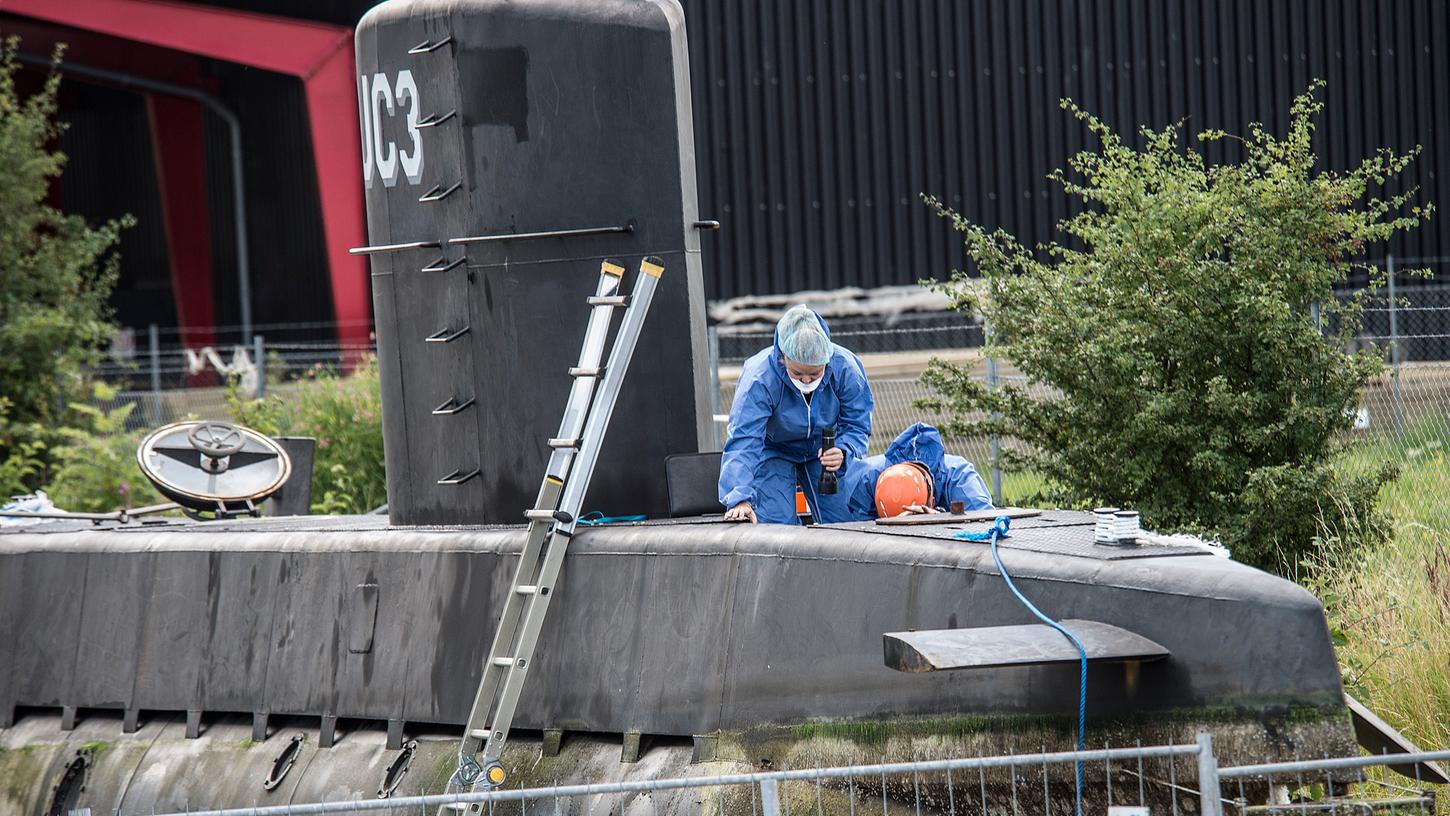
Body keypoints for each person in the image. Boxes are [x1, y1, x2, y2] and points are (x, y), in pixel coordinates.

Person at [719, 305, 873, 524]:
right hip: (773, 450)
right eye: (798, 373)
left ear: (827, 361)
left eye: (815, 372)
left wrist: (845, 451)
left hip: (826, 450)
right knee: (775, 525)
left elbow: (858, 425)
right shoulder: (759, 379)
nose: (807, 380)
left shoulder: (846, 368)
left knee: (846, 521)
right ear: (783, 357)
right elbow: (744, 440)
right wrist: (739, 497)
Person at [843, 422, 993, 520]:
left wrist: (939, 519)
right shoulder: (866, 480)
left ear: (932, 500)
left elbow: (985, 524)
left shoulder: (959, 478)